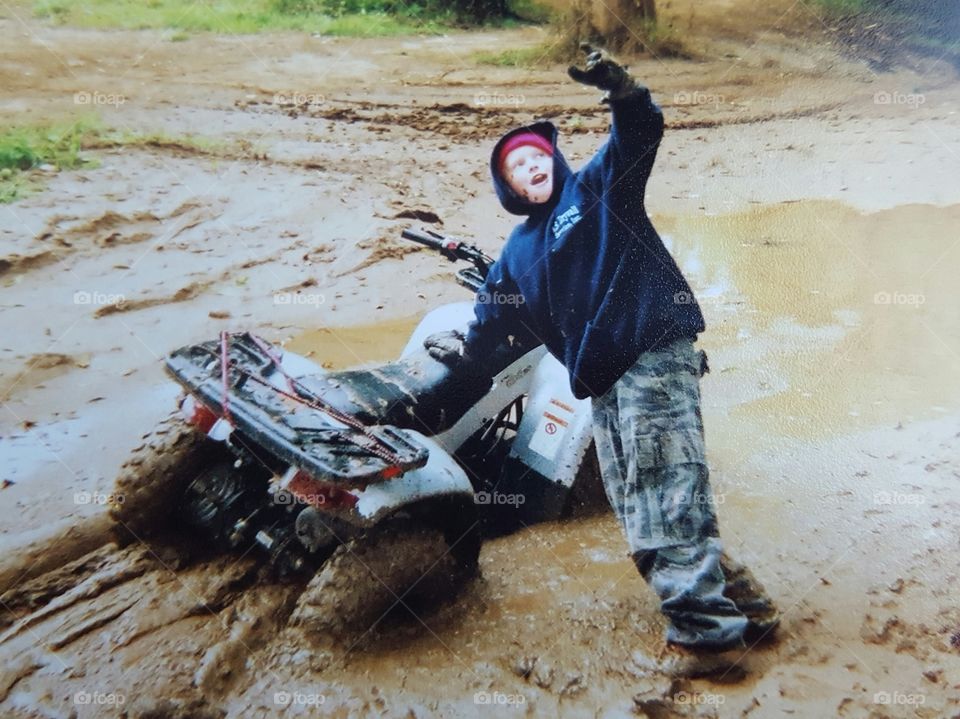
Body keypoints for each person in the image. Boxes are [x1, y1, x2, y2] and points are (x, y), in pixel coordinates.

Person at [424, 45, 778, 654]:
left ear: (555, 160)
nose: (532, 167)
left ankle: (708, 641)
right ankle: (746, 611)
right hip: (604, 382)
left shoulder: (597, 187)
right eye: (518, 168)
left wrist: (623, 90)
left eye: (538, 156)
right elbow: (488, 335)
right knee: (644, 500)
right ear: (507, 187)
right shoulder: (513, 257)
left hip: (652, 350)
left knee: (660, 492)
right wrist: (443, 384)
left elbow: (641, 131)